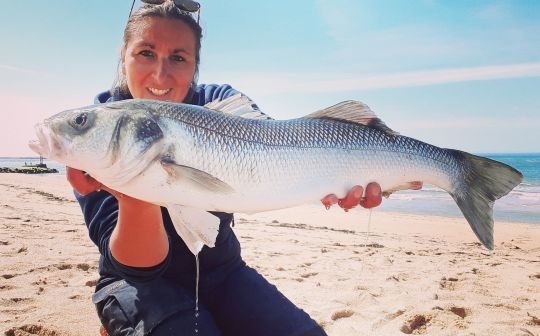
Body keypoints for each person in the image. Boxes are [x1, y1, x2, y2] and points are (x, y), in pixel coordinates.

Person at [68, 1, 417, 335]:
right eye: (146, 53)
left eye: (179, 57)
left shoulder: (218, 102)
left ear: (195, 65)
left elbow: (279, 143)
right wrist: (136, 196)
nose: (161, 73)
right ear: (123, 55)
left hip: (223, 272)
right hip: (136, 283)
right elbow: (137, 266)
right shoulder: (102, 128)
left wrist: (348, 176)